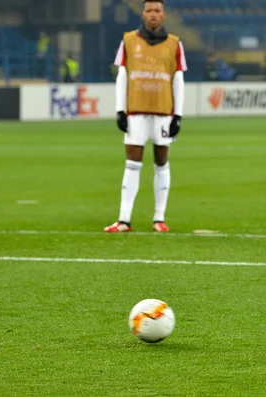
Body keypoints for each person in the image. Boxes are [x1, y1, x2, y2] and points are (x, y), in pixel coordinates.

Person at [104, 0, 187, 233]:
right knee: (132, 164)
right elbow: (122, 74)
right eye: (149, 10)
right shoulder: (129, 40)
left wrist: (177, 115)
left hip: (163, 111)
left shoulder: (174, 44)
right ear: (142, 14)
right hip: (136, 111)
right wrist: (120, 110)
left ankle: (159, 218)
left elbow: (177, 79)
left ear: (164, 15)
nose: (153, 14)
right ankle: (124, 220)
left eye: (157, 10)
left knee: (162, 162)